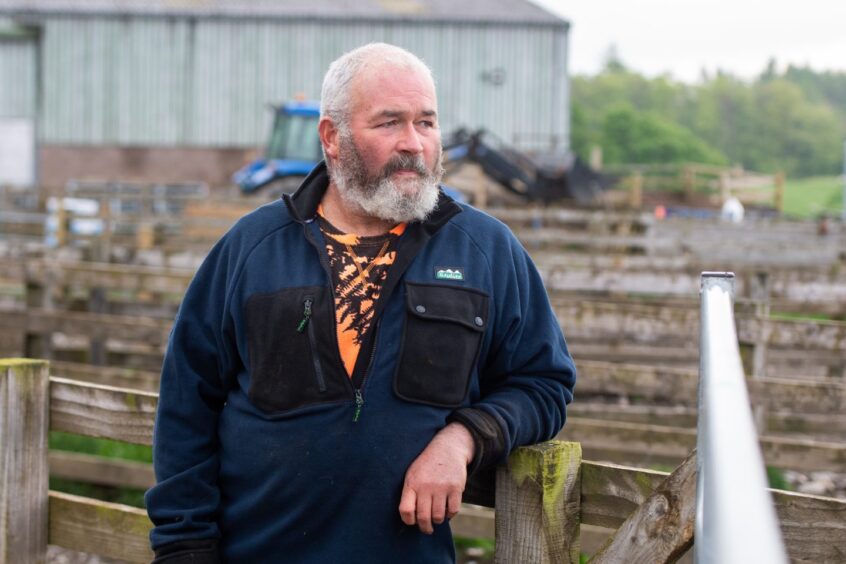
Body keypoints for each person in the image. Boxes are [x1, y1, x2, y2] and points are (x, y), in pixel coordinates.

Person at [145, 42, 576, 564]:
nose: (414, 144)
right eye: (390, 122)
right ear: (332, 136)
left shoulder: (486, 250)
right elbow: (188, 401)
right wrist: (184, 546)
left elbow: (543, 384)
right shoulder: (252, 248)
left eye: (427, 122)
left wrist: (463, 439)